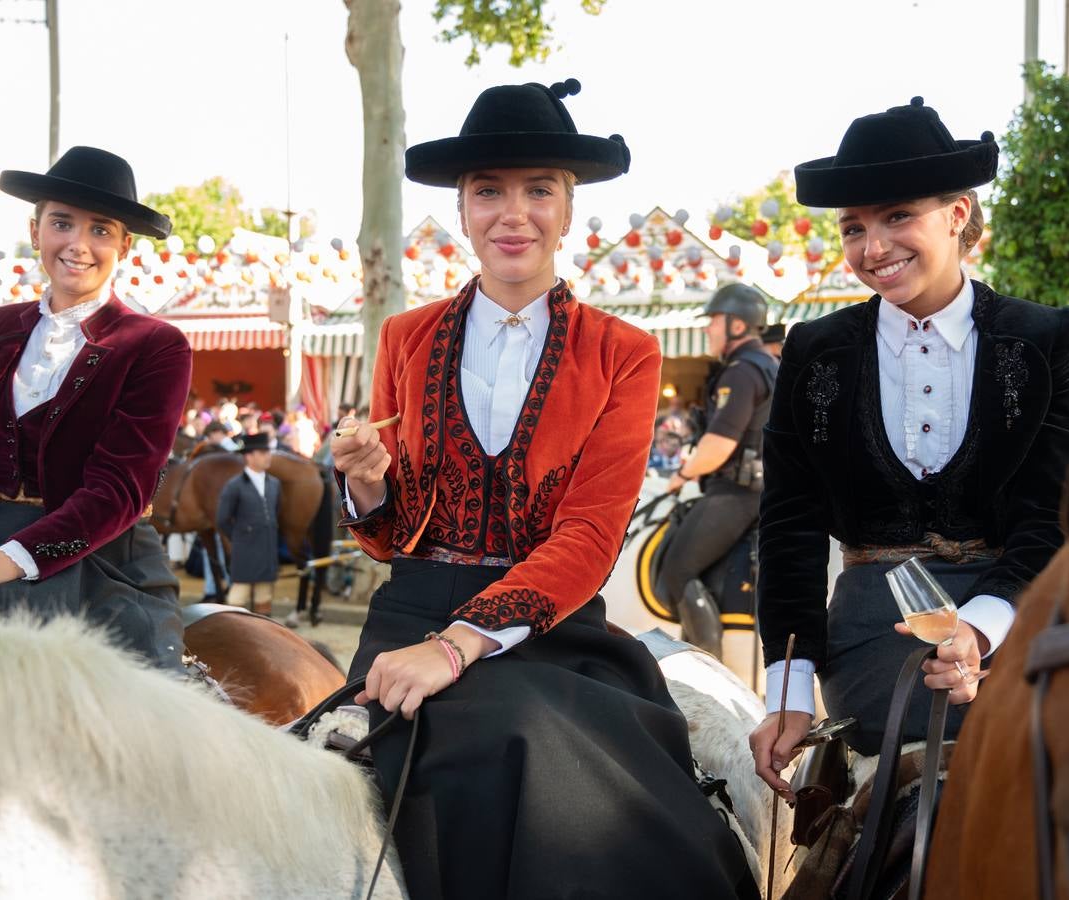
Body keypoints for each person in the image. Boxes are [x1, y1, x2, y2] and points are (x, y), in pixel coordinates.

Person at [331, 78, 756, 900]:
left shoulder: (623, 351)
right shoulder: (403, 338)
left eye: (538, 190)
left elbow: (592, 539)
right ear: (461, 210)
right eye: (488, 191)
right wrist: (369, 487)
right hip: (410, 610)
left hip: (555, 630)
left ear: (568, 211)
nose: (511, 213)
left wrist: (454, 647)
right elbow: (392, 535)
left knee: (633, 820)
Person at [750, 98, 1069, 788]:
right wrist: (787, 693)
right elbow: (788, 526)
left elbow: (1058, 513)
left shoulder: (1045, 339)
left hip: (1024, 621)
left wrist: (980, 627)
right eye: (853, 228)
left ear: (957, 214)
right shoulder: (813, 352)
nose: (873, 248)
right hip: (876, 635)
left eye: (897, 216)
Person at [0, 146, 191, 669]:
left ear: (125, 245)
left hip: (102, 560)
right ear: (36, 233)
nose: (78, 244)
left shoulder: (156, 344)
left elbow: (117, 492)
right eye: (62, 223)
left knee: (145, 732)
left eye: (100, 229)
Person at [657, 282, 778, 655]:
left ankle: (708, 672)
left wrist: (680, 476)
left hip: (736, 493)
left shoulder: (741, 372)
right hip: (758, 490)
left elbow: (718, 446)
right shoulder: (768, 365)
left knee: (677, 570)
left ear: (737, 326)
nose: (708, 328)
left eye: (714, 320)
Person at [215, 432, 280, 616]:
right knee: (236, 601)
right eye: (262, 452)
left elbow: (275, 514)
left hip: (267, 549)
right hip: (244, 551)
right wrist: (240, 536)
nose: (268, 456)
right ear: (249, 456)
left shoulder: (274, 484)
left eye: (268, 451)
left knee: (264, 600)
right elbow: (222, 519)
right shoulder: (234, 485)